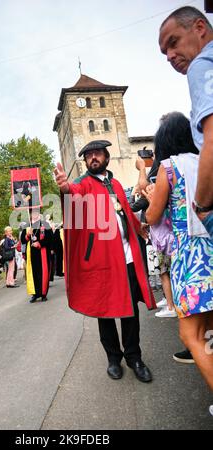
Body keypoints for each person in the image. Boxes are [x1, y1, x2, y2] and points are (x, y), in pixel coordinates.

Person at [54, 140, 156, 383]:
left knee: (130, 311)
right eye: (89, 156)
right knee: (105, 311)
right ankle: (113, 358)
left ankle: (134, 358)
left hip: (127, 258)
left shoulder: (117, 184)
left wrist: (137, 225)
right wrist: (64, 188)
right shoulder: (83, 184)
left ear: (106, 157)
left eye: (97, 154)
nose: (93, 158)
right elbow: (73, 196)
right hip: (101, 262)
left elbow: (126, 211)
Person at [144, 112, 213, 393]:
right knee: (209, 333)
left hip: (191, 259)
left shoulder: (169, 168)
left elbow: (152, 215)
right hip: (211, 250)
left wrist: (150, 198)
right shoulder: (204, 161)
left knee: (190, 335)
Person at [159, 6, 213, 237]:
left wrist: (201, 206)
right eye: (165, 52)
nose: (170, 55)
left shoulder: (201, 65)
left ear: (200, 27)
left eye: (174, 42)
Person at [20, 208, 53, 303]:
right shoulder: (27, 225)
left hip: (42, 252)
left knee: (43, 273)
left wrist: (40, 244)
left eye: (36, 212)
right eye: (32, 213)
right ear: (30, 214)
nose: (34, 214)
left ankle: (43, 294)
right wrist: (27, 235)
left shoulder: (45, 224)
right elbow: (22, 240)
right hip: (31, 254)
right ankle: (35, 294)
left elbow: (50, 239)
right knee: (33, 273)